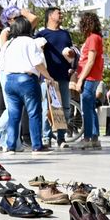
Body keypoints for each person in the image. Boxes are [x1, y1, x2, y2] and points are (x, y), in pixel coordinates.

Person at [0, 14, 51, 154]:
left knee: (13, 114)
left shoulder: (9, 43)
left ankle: (10, 146)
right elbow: (37, 62)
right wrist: (48, 76)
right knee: (34, 113)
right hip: (27, 80)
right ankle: (37, 145)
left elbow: (0, 64)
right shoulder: (30, 42)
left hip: (10, 80)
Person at [34, 8, 74, 148]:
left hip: (63, 76)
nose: (61, 15)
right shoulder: (41, 34)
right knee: (48, 108)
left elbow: (71, 53)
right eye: (59, 13)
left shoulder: (65, 34)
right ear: (50, 16)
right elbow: (35, 54)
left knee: (65, 108)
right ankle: (46, 137)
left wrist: (71, 55)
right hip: (47, 77)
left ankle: (61, 138)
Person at [70, 12, 105, 150]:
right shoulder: (95, 38)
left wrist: (80, 79)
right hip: (92, 76)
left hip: (89, 77)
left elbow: (90, 61)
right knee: (90, 108)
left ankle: (87, 138)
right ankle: (95, 138)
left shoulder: (93, 38)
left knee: (86, 109)